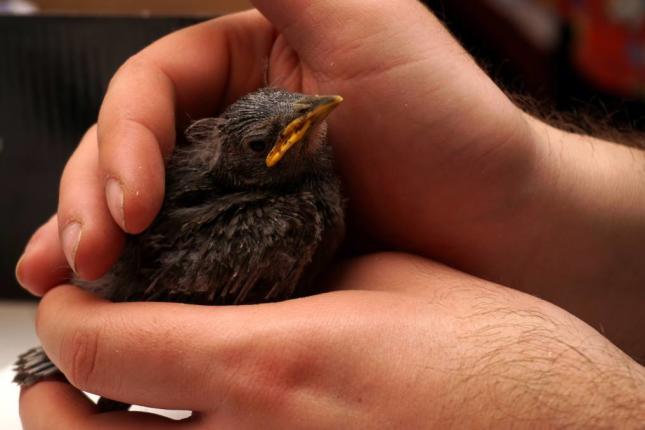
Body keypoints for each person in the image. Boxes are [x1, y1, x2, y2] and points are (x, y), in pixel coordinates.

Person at [15, 0, 645, 428]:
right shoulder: (288, 216)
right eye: (264, 144)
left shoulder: (306, 198)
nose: (310, 114)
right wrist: (535, 189)